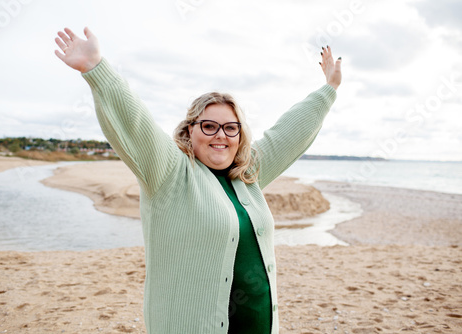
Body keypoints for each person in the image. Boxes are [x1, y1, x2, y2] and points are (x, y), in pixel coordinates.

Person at [55, 26, 341, 334]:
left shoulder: (246, 175)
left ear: (240, 135)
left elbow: (287, 134)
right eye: (209, 125)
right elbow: (136, 124)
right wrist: (97, 69)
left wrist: (329, 89)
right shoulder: (169, 173)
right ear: (189, 130)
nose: (221, 135)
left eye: (231, 128)